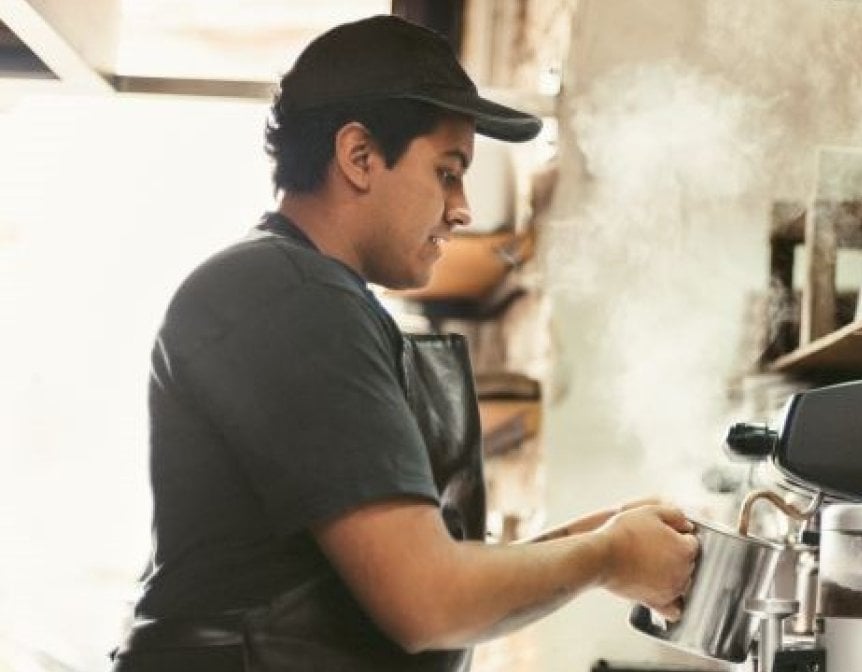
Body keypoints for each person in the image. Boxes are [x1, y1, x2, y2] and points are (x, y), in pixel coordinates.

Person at [110, 14, 699, 672]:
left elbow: (410, 575)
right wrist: (607, 555)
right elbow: (429, 604)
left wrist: (593, 539)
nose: (462, 208)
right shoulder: (290, 297)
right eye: (448, 172)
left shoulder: (307, 295)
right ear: (360, 157)